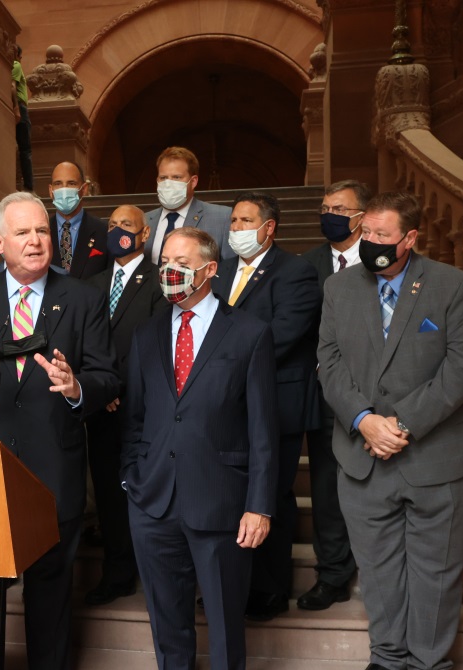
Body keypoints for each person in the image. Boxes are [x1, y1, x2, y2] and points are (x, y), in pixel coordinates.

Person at [0, 191, 118, 670]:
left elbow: (107, 376)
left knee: (50, 596)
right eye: (22, 232)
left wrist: (77, 387)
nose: (35, 241)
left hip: (54, 470)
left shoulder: (83, 298)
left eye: (42, 230)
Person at [317, 192, 463, 670]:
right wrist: (364, 419)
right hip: (362, 457)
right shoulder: (339, 287)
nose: (370, 241)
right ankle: (387, 657)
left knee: (436, 572)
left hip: (439, 457)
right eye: (366, 232)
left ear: (409, 238)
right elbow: (329, 362)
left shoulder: (451, 284)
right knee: (377, 570)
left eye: (382, 234)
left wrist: (403, 423)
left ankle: (428, 662)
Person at [123, 227, 278, 669]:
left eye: (182, 264)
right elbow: (134, 417)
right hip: (153, 503)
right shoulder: (146, 333)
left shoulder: (248, 333)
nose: (169, 272)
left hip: (221, 503)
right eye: (164, 263)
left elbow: (263, 430)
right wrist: (131, 479)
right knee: (167, 627)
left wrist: (259, 506)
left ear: (209, 270)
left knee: (225, 628)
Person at [212, 192, 323, 621]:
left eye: (245, 221)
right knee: (230, 495)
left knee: (270, 494)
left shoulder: (295, 271)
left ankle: (270, 589)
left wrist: (222, 364)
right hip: (226, 404)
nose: (236, 228)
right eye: (233, 221)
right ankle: (232, 585)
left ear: (269, 227)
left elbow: (284, 334)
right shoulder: (221, 270)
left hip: (275, 402)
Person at [83, 204, 166, 606]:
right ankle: (117, 573)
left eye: (127, 225)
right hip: (100, 409)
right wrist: (101, 389)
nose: (118, 230)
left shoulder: (159, 281)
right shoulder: (92, 283)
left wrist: (120, 387)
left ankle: (155, 575)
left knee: (146, 493)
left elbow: (155, 343)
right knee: (107, 495)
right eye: (113, 224)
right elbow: (82, 341)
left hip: (142, 408)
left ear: (144, 233)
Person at [297, 180, 370, 611]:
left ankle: (379, 572)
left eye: (340, 209)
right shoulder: (306, 265)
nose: (330, 215)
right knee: (326, 488)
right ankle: (333, 575)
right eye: (325, 208)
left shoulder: (382, 260)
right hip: (325, 395)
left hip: (377, 397)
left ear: (362, 216)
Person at [145, 146, 234, 264]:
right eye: (163, 178)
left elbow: (230, 268)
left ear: (193, 182)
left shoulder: (222, 217)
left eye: (176, 177)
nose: (168, 183)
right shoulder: (145, 220)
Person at [48, 161, 109, 279]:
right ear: (51, 191)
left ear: (84, 189)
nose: (64, 190)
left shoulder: (103, 231)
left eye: (71, 183)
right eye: (58, 184)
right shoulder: (40, 232)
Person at [12, 45, 33, 192]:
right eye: (20, 55)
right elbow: (12, 86)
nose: (21, 58)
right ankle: (29, 186)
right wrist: (17, 108)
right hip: (20, 107)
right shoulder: (16, 65)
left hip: (19, 106)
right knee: (26, 149)